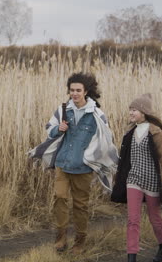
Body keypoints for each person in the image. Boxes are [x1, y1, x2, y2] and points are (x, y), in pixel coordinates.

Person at [29, 72, 118, 254]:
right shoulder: (62, 110)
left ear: (86, 91)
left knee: (80, 205)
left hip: (83, 168)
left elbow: (105, 139)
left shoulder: (96, 114)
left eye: (78, 90)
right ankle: (60, 237)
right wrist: (57, 129)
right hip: (63, 163)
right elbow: (49, 129)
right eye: (72, 90)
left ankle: (80, 241)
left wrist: (91, 158)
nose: (74, 93)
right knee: (59, 197)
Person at [110, 93, 162, 262]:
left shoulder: (159, 134)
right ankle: (132, 257)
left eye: (134, 109)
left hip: (152, 181)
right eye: (130, 109)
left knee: (154, 217)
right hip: (133, 180)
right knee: (132, 220)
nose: (130, 112)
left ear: (144, 112)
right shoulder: (129, 134)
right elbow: (125, 161)